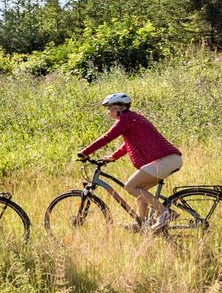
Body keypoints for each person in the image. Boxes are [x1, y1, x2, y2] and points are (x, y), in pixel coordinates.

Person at [77, 93, 182, 228]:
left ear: (118, 109)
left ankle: (165, 212)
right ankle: (141, 223)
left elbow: (107, 137)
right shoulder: (132, 118)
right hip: (170, 160)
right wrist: (113, 156)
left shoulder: (125, 119)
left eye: (109, 108)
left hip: (165, 160)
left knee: (130, 186)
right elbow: (128, 144)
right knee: (140, 190)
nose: (108, 112)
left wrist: (85, 152)